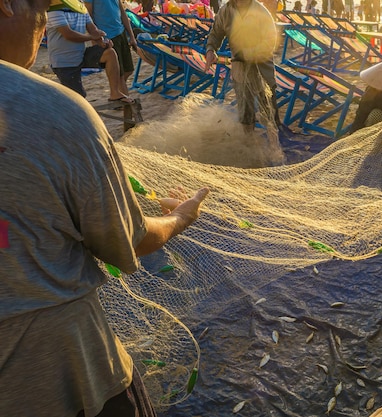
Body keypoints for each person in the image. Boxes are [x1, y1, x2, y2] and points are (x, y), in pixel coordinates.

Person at [0, 0, 211, 415]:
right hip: (62, 376)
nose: (43, 24)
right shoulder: (55, 111)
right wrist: (180, 216)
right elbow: (128, 241)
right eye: (41, 8)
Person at [205, 0, 281, 132]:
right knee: (245, 115)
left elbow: (270, 42)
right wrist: (211, 50)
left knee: (270, 114)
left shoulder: (260, 11)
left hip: (262, 70)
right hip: (240, 70)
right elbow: (216, 33)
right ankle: (249, 141)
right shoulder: (226, 11)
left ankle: (274, 144)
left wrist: (246, 54)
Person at [46, 0, 134, 104]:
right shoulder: (54, 11)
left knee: (110, 53)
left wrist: (102, 42)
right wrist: (91, 37)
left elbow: (93, 30)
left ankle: (115, 93)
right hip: (64, 62)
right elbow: (68, 34)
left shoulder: (81, 9)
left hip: (81, 55)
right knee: (78, 99)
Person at [84, 0, 137, 97]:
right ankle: (124, 102)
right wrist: (96, 39)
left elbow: (122, 12)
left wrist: (132, 36)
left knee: (128, 70)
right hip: (108, 37)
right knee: (120, 76)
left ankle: (118, 91)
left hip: (121, 33)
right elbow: (88, 17)